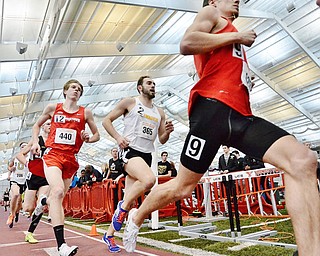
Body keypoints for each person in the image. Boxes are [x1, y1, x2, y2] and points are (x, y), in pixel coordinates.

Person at [121, 1, 320, 255]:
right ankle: (137, 217)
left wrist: (244, 80)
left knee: (303, 160)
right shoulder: (211, 13)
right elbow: (187, 43)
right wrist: (237, 36)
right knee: (182, 188)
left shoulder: (231, 38)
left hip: (241, 117)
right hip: (211, 113)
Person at [101, 75, 174, 253]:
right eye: (149, 83)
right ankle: (122, 208)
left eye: (154, 84)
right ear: (140, 88)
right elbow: (106, 121)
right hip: (130, 151)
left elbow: (161, 140)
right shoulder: (130, 102)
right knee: (149, 180)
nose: (153, 86)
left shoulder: (160, 112)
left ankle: (109, 235)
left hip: (147, 155)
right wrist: (118, 138)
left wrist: (168, 132)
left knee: (129, 199)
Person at [30, 79, 100, 256]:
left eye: (79, 89)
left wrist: (87, 138)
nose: (76, 90)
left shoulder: (86, 113)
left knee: (57, 198)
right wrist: (34, 143)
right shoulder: (54, 108)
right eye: (73, 88)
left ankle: (43, 202)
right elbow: (37, 124)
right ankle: (61, 245)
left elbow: (97, 135)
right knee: (59, 191)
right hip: (53, 155)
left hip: (71, 159)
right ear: (65, 91)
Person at [16, 120, 51, 244]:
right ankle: (27, 209)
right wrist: (27, 164)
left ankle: (30, 233)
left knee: (41, 203)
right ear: (42, 127)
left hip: (46, 177)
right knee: (27, 208)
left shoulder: (54, 142)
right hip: (33, 177)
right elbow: (20, 155)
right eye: (47, 123)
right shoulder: (36, 140)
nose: (50, 125)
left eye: (52, 123)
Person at [6, 142, 29, 228]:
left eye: (25, 146)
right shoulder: (16, 157)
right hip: (15, 180)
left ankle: (17, 212)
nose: (24, 148)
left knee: (19, 201)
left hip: (25, 181)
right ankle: (11, 214)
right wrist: (10, 170)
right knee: (15, 194)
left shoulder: (30, 157)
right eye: (22, 147)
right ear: (20, 148)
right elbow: (9, 166)